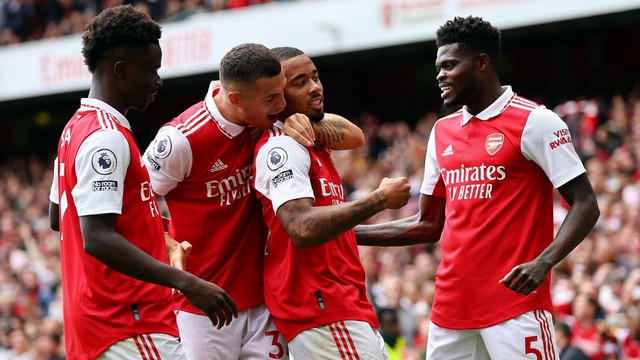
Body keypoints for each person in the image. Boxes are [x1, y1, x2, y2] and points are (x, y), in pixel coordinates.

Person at [354, 16, 600, 359]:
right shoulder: (442, 132)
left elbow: (586, 204)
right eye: (438, 67)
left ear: (482, 62)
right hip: (450, 309)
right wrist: (347, 234)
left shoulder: (535, 121)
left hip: (515, 306)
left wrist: (544, 262)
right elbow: (427, 224)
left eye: (450, 65)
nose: (440, 74)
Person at [142, 42, 364, 360]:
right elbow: (133, 203)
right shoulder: (180, 140)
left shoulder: (270, 121)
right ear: (235, 99)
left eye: (282, 94)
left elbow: (355, 136)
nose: (281, 104)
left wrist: (306, 122)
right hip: (204, 304)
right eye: (272, 99)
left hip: (264, 301)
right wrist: (168, 245)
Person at [48, 5, 237, 359]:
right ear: (120, 70)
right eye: (151, 71)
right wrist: (187, 282)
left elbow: (57, 216)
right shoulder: (106, 137)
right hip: (128, 321)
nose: (158, 82)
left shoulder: (74, 129)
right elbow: (97, 237)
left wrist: (153, 235)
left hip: (101, 325)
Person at [252, 46, 411, 359]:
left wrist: (306, 121)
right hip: (321, 306)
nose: (315, 87)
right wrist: (379, 200)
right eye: (300, 82)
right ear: (276, 97)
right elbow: (301, 228)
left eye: (315, 77)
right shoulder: (284, 147)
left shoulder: (311, 140)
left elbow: (356, 136)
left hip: (341, 303)